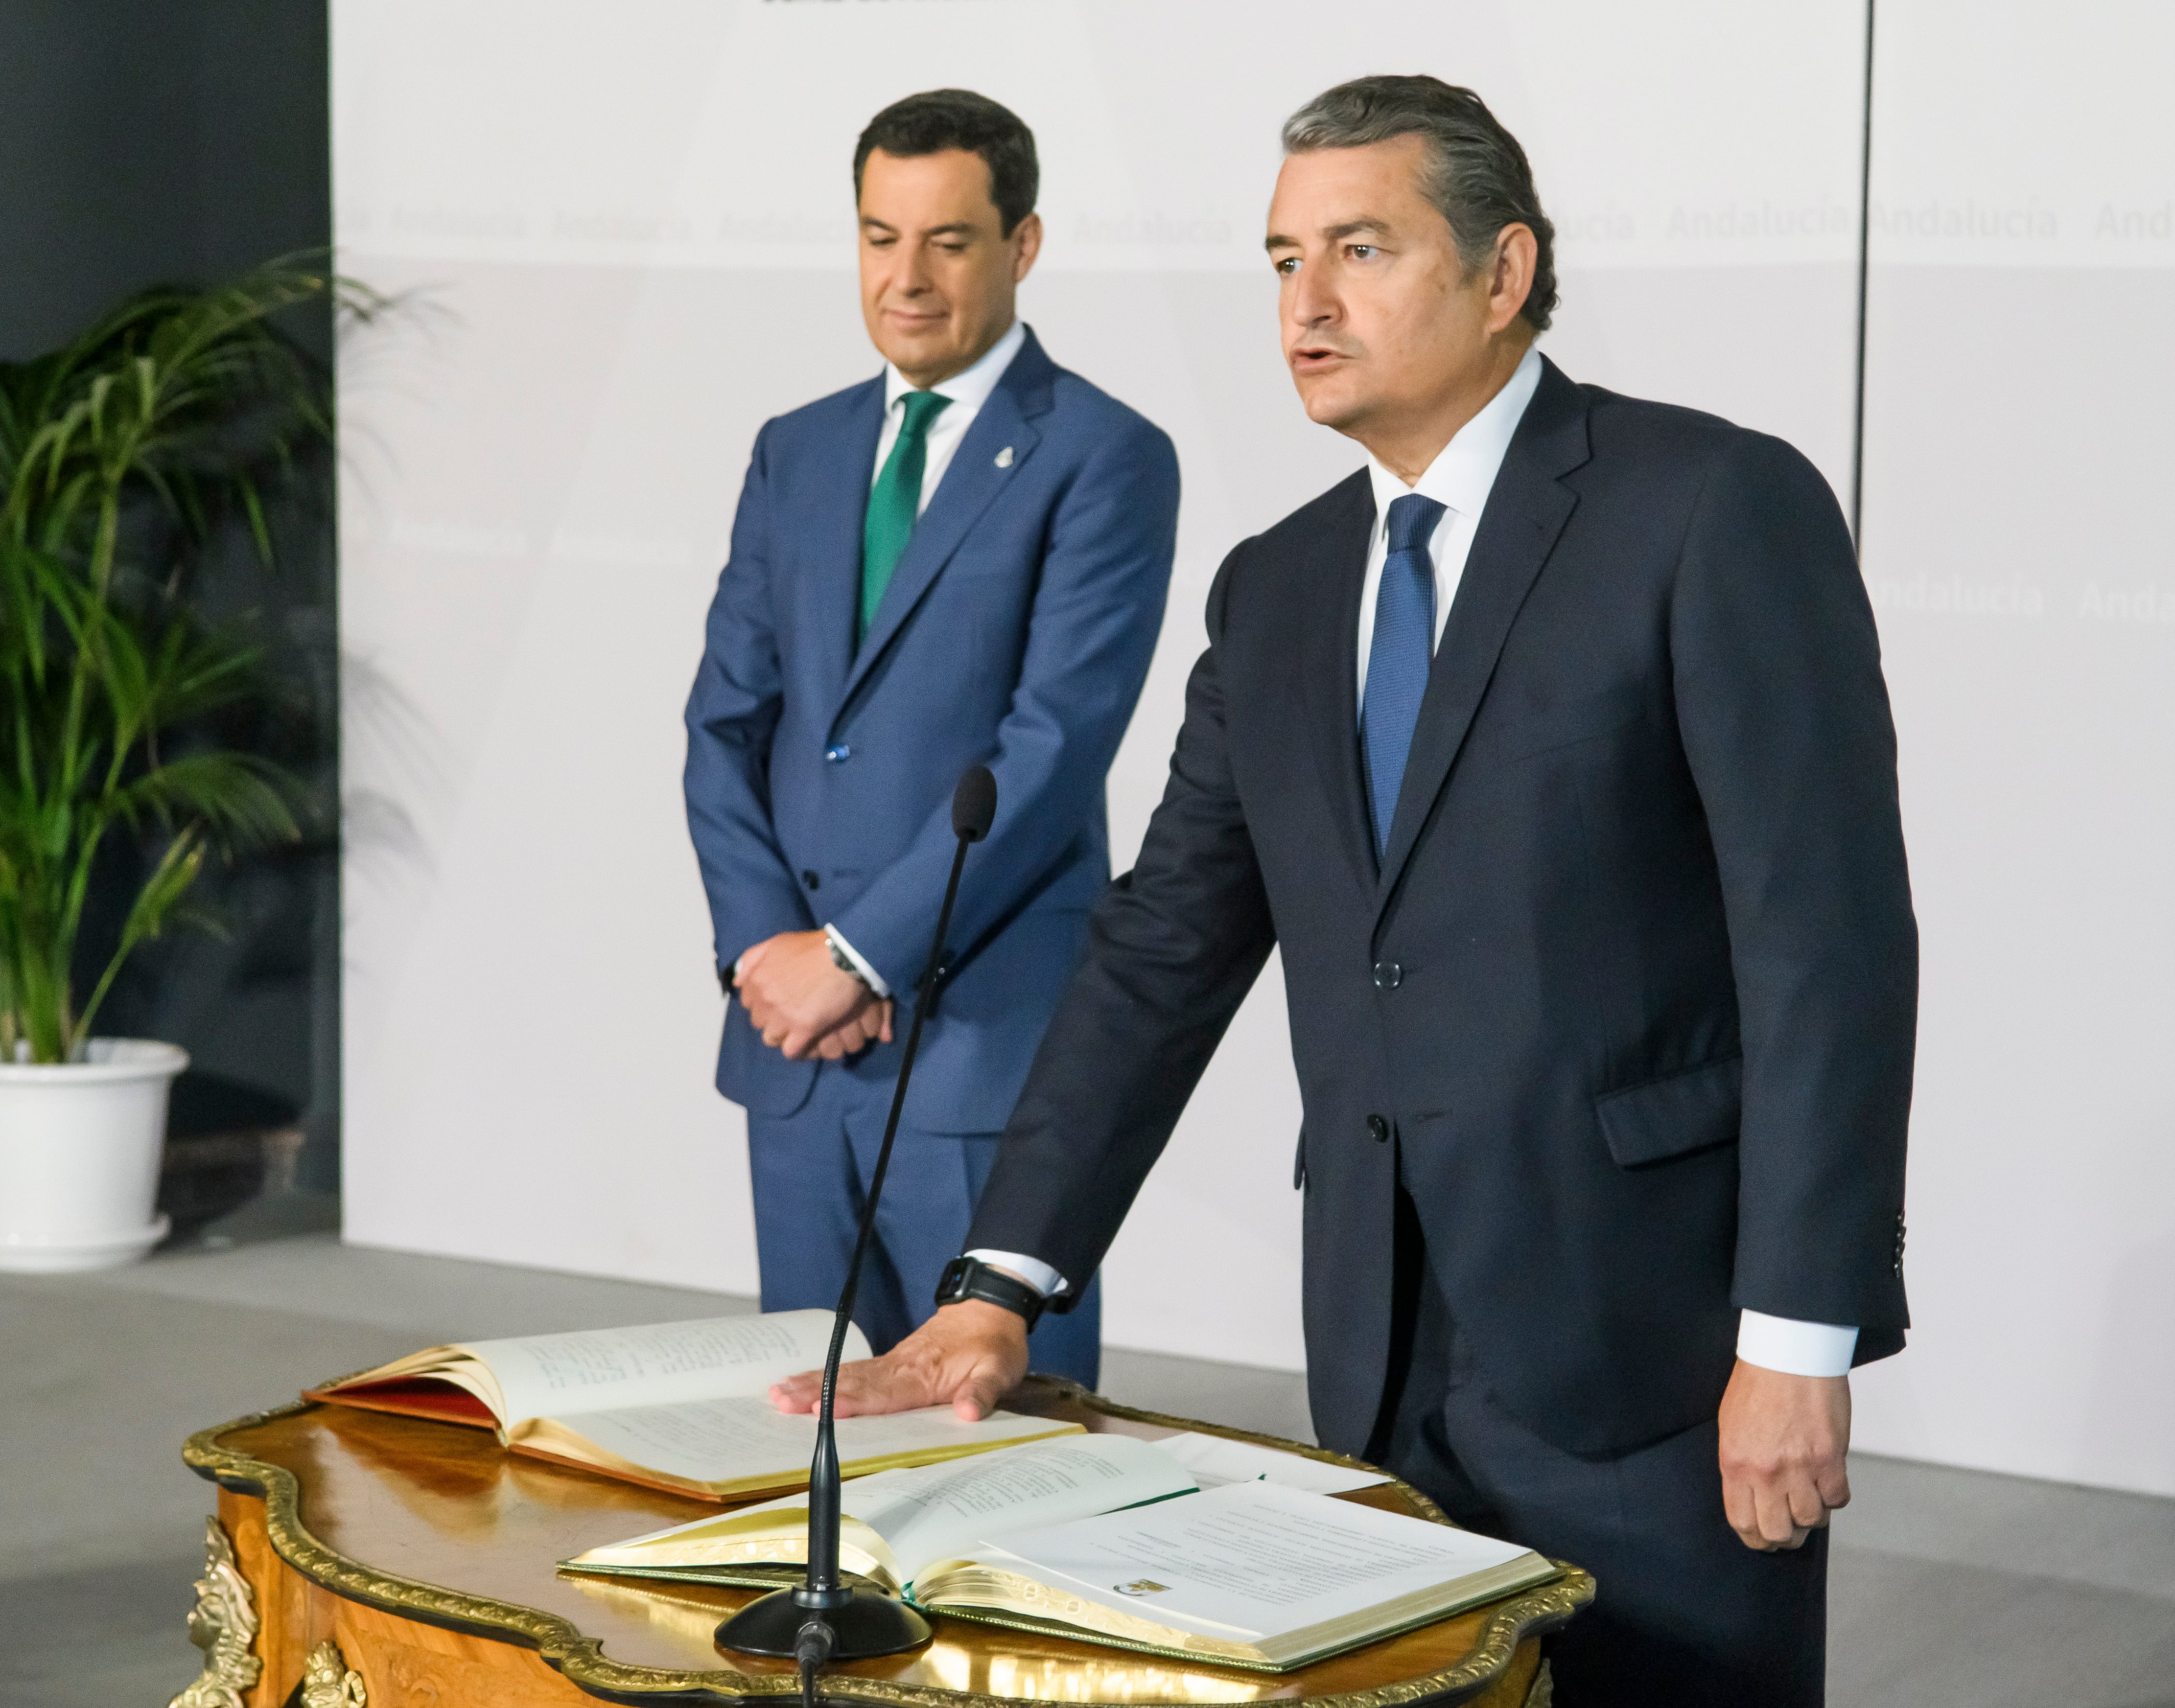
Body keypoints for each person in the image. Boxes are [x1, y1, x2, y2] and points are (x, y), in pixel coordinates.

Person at [771, 76, 1915, 1707]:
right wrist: (1000, 1277)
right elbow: (1160, 950)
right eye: (1283, 258)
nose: (1307, 302)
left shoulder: (1710, 509)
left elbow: (1830, 949)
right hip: (1383, 1361)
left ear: (1503, 272)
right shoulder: (1281, 585)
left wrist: (1797, 1342)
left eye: (1360, 250)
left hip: (1656, 1360)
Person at [683, 89, 1179, 1389]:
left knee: (1002, 1448)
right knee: (810, 1446)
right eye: (878, 237)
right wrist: (767, 959)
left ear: (1022, 246)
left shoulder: (1106, 456)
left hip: (981, 1061)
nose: (905, 278)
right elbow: (723, 724)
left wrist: (858, 955)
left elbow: (1053, 745)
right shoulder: (797, 450)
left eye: (948, 242)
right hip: (794, 1053)